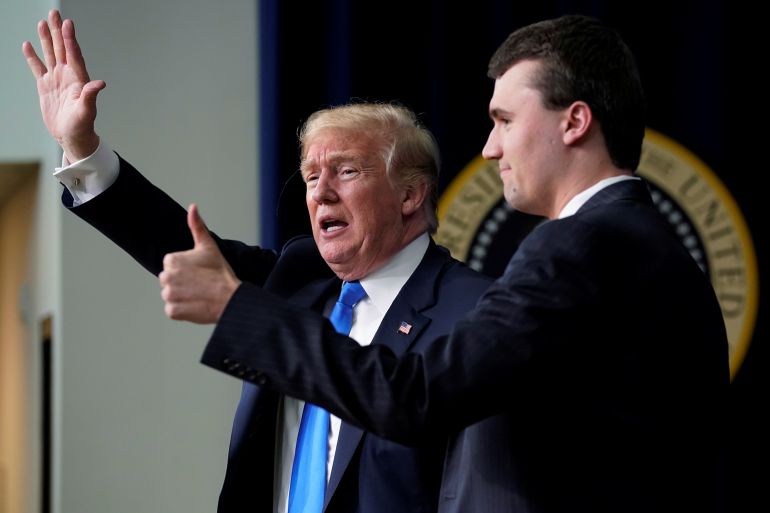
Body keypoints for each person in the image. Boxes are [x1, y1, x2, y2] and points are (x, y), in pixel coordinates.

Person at [196, 15, 729, 513]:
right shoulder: (661, 251)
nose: (491, 148)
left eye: (504, 120)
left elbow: (416, 397)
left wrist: (243, 313)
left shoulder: (577, 246)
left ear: (575, 122)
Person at [22, 10, 493, 513]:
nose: (321, 194)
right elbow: (178, 247)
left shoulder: (471, 312)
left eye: (346, 171)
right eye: (311, 177)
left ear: (410, 194)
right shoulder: (298, 279)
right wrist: (82, 147)